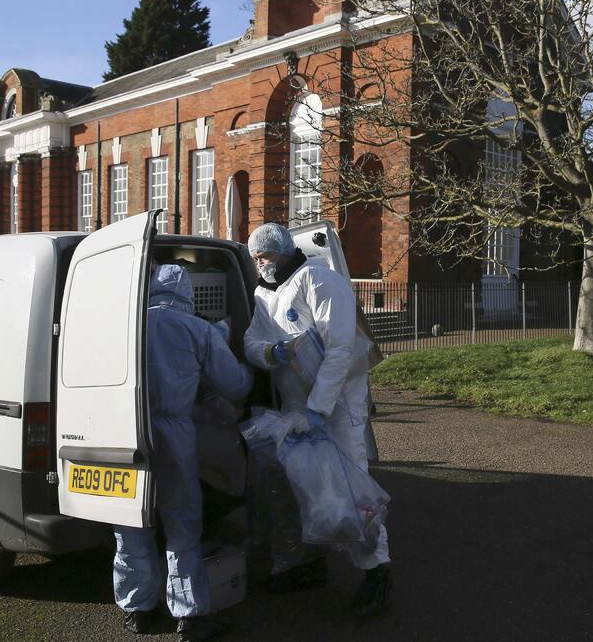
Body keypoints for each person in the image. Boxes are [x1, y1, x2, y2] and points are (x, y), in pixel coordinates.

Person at [243, 223, 392, 617]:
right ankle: (310, 566)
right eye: (256, 257)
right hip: (296, 407)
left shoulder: (319, 281)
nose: (261, 263)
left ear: (284, 250)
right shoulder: (263, 293)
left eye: (266, 256)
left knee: (351, 489)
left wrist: (319, 409)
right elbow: (251, 342)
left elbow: (340, 350)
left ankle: (377, 570)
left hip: (337, 406)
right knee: (305, 490)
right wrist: (269, 353)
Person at [114, 264, 252, 642]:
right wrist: (238, 355)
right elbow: (235, 385)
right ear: (187, 294)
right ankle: (189, 615)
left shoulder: (126, 322)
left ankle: (137, 609)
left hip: (124, 431)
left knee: (130, 522)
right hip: (175, 434)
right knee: (182, 525)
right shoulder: (198, 330)